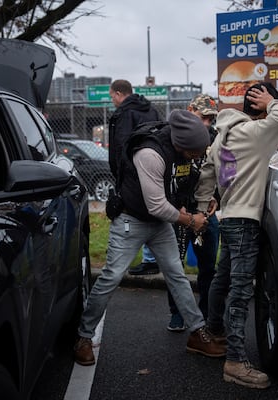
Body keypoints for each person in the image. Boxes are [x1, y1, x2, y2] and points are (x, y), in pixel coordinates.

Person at [74, 109, 226, 366]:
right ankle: (84, 337)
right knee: (111, 276)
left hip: (160, 223)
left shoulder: (185, 152)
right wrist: (191, 221)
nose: (199, 156)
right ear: (182, 145)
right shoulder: (150, 154)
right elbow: (156, 205)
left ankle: (196, 333)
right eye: (196, 152)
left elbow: (185, 184)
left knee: (177, 275)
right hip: (131, 220)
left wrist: (208, 199)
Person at [195, 82, 278, 389]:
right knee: (240, 291)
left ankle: (214, 332)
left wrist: (203, 209)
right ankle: (236, 361)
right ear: (262, 106)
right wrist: (273, 102)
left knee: (222, 278)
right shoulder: (256, 133)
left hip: (229, 218)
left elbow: (206, 179)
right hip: (246, 219)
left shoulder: (220, 139)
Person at [165, 94, 220, 331]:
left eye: (210, 118)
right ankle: (177, 313)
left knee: (208, 266)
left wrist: (217, 197)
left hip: (205, 211)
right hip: (181, 212)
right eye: (203, 117)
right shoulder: (175, 137)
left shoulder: (217, 138)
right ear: (190, 110)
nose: (206, 123)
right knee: (175, 266)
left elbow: (224, 171)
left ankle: (205, 312)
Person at [108, 79, 162, 276]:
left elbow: (121, 145)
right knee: (152, 210)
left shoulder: (124, 113)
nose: (112, 100)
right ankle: (153, 258)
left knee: (129, 214)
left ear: (119, 93)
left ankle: (132, 258)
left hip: (130, 173)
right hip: (154, 167)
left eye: (112, 95)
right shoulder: (150, 109)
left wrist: (121, 172)